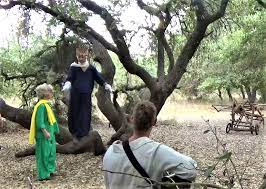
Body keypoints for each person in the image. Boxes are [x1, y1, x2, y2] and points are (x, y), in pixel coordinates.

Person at [103, 101, 197, 189]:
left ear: (131, 119)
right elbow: (190, 170)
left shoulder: (110, 152)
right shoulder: (156, 151)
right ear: (154, 122)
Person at [62, 44, 113, 142]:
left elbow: (98, 78)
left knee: (85, 115)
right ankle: (75, 135)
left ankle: (83, 135)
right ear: (77, 56)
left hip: (86, 95)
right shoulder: (74, 67)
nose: (81, 58)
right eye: (79, 56)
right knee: (75, 113)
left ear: (87, 55)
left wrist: (105, 85)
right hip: (75, 95)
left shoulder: (91, 68)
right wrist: (67, 84)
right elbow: (70, 77)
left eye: (83, 56)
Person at [29, 83, 59, 181]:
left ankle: (50, 171)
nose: (52, 93)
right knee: (43, 154)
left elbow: (50, 120)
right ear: (45, 94)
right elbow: (40, 121)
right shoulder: (41, 106)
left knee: (51, 153)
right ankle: (43, 174)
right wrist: (45, 131)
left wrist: (54, 130)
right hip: (43, 134)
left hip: (50, 133)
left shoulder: (47, 104)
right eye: (50, 91)